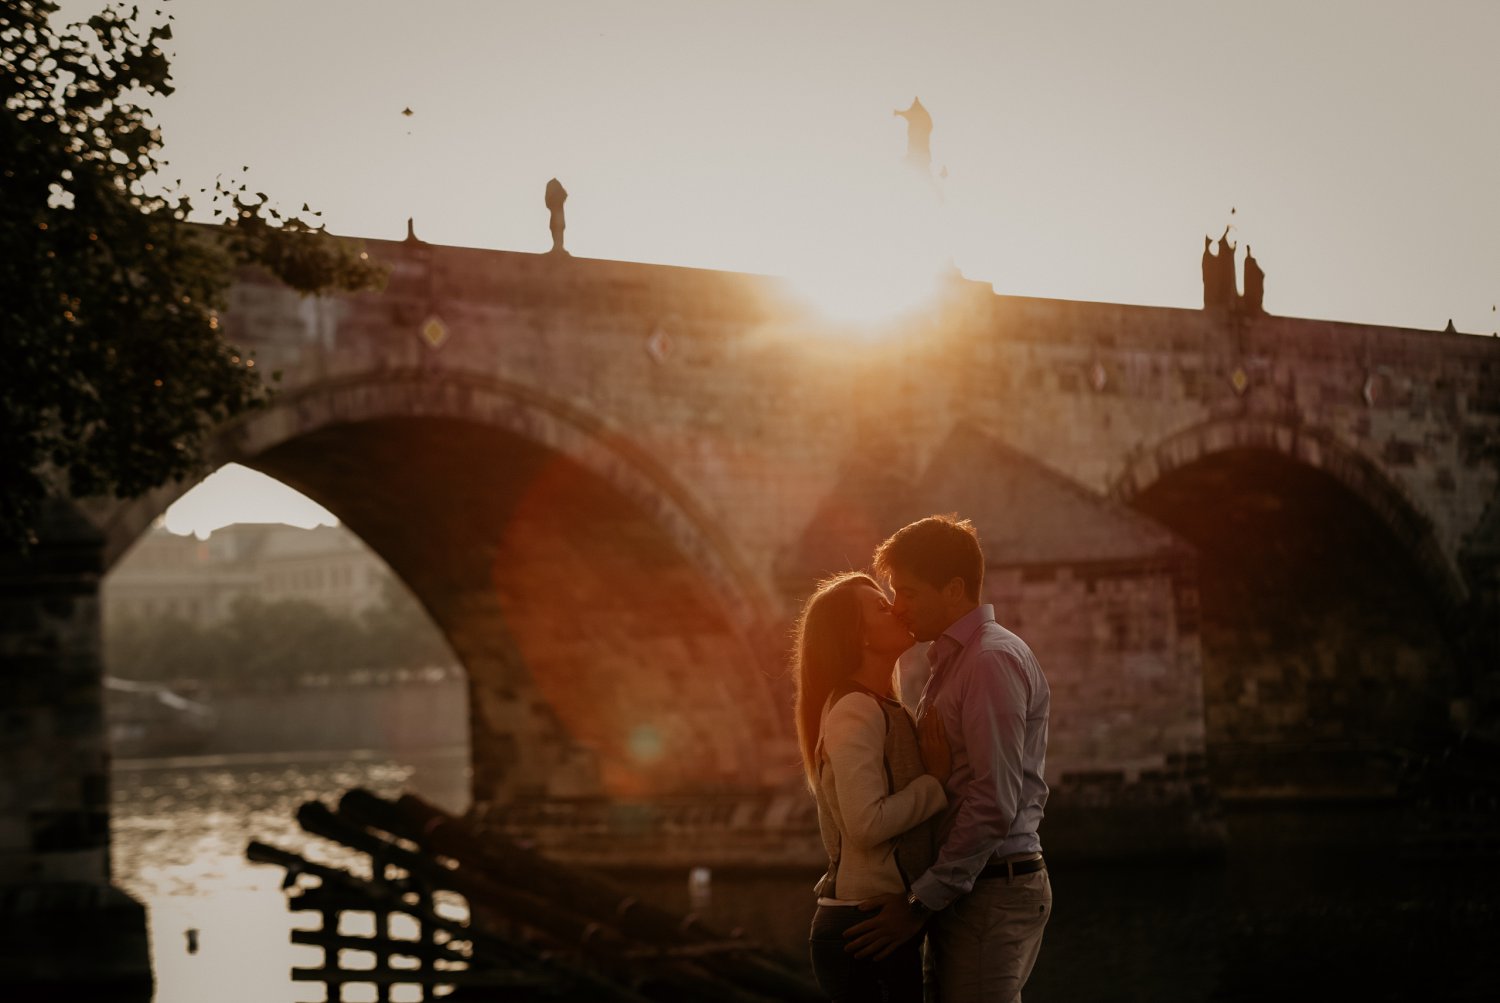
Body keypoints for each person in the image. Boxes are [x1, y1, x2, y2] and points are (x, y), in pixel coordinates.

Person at [846, 515, 1053, 1003]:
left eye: (909, 593)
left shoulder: (988, 661)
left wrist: (918, 902)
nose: (898, 608)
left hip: (991, 890)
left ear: (955, 589)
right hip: (969, 888)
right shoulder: (957, 659)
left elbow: (992, 802)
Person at [794, 571, 952, 1002]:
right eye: (882, 607)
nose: (897, 608)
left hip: (876, 920)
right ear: (858, 636)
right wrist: (934, 784)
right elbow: (866, 823)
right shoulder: (855, 710)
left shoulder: (881, 706)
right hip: (860, 927)